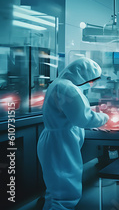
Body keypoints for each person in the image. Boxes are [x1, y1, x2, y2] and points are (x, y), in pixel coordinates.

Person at [37, 58, 109, 210]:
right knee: (66, 193)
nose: (91, 84)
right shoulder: (68, 88)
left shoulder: (58, 84)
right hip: (60, 145)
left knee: (55, 190)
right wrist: (105, 117)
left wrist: (89, 125)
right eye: (91, 81)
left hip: (53, 141)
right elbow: (83, 118)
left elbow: (68, 117)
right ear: (82, 75)